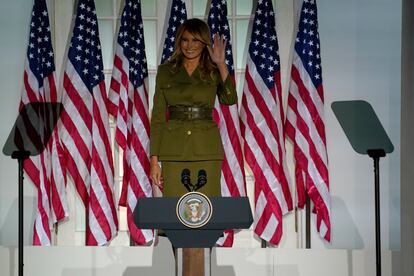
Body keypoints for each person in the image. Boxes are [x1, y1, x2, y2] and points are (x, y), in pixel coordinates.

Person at [149, 18, 237, 197]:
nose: (189, 46)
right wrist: (154, 161)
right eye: (185, 40)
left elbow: (230, 98)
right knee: (174, 212)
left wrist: (221, 63)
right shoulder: (166, 71)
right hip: (173, 149)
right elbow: (158, 118)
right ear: (179, 41)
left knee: (208, 210)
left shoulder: (213, 70)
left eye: (195, 40)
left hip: (206, 148)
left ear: (204, 42)